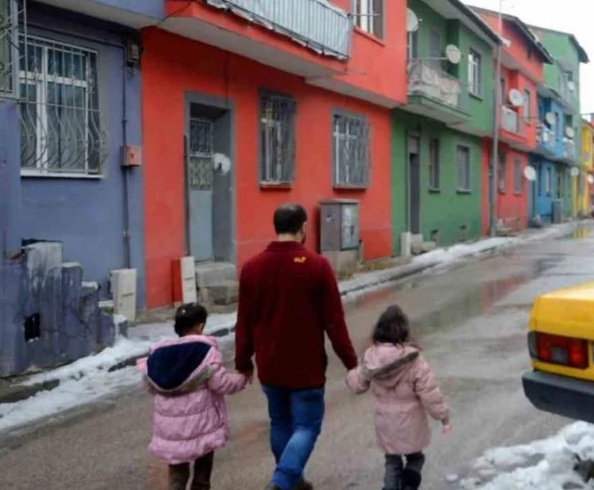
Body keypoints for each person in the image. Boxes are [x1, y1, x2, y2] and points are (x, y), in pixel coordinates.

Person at [235, 203, 358, 490]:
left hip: (270, 364)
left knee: (280, 423)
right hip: (306, 366)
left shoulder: (252, 268)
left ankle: (293, 479)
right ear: (304, 228)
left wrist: (243, 362)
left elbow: (244, 321)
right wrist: (352, 363)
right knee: (306, 426)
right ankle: (281, 480)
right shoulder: (317, 266)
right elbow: (335, 323)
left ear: (275, 227)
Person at [139, 303, 247, 490]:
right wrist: (242, 377)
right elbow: (222, 384)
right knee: (203, 468)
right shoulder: (205, 353)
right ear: (200, 326)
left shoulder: (157, 355)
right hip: (202, 425)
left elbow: (149, 386)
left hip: (171, 430)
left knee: (177, 470)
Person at [346, 305, 450, 490]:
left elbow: (356, 384)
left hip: (386, 424)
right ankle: (409, 486)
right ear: (404, 331)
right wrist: (443, 416)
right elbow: (429, 393)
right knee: (416, 458)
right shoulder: (414, 360)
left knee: (392, 462)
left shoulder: (371, 359)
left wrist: (349, 377)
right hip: (411, 423)